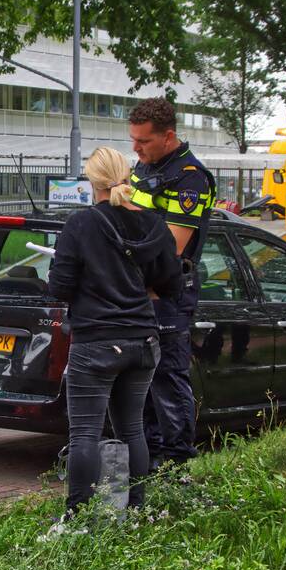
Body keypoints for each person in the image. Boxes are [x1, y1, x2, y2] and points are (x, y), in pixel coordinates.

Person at [46, 147, 182, 533]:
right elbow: (172, 283)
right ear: (127, 177)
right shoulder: (153, 225)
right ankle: (135, 512)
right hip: (142, 342)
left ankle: (77, 520)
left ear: (93, 182)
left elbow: (61, 286)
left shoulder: (81, 225)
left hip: (96, 344)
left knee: (85, 434)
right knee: (133, 429)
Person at [127, 98, 217, 469]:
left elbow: (172, 246)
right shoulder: (145, 163)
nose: (135, 148)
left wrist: (125, 235)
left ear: (168, 137)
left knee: (168, 376)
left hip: (167, 291)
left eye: (143, 141)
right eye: (132, 140)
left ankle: (177, 463)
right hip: (136, 288)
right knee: (141, 379)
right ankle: (147, 460)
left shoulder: (190, 177)